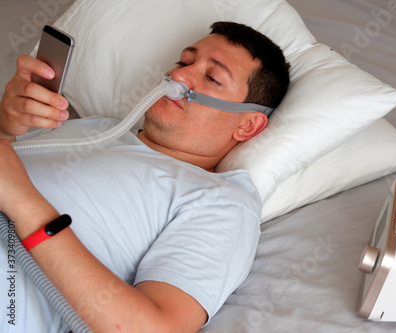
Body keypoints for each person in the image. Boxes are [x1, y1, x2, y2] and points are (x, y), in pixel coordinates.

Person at [0, 21, 290, 332]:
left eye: (212, 77)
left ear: (248, 126)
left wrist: (25, 204)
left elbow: (157, 327)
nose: (178, 76)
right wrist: (5, 124)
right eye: (184, 62)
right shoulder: (97, 129)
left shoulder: (222, 202)